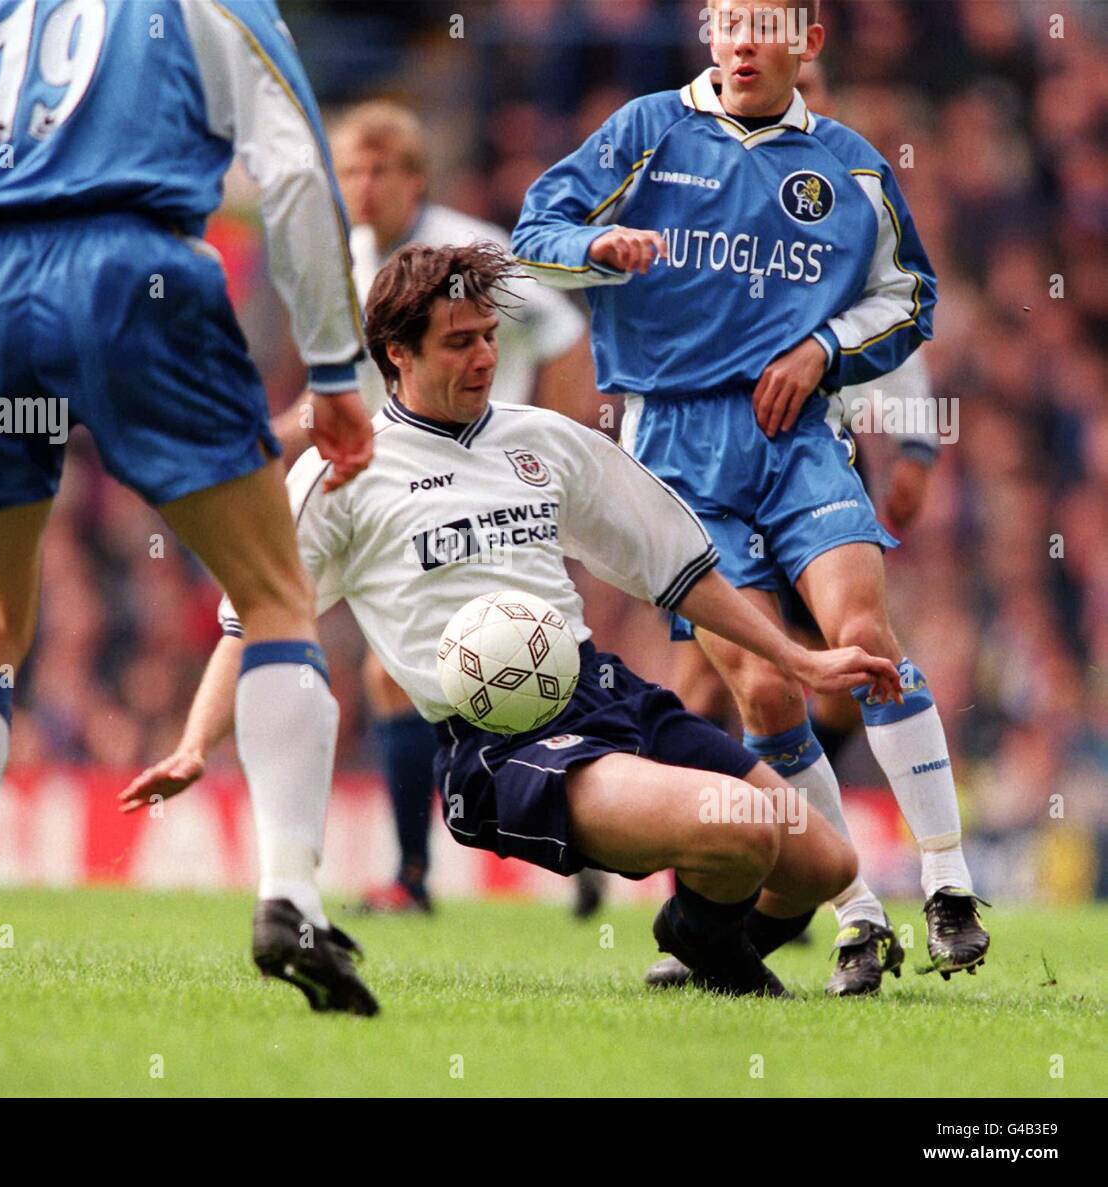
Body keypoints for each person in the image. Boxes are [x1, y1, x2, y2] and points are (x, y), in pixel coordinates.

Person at [121, 242, 906, 998]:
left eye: (491, 337)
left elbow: (680, 570)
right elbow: (253, 621)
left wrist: (798, 660)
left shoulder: (545, 442)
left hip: (605, 692)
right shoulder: (342, 473)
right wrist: (195, 743)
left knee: (822, 863)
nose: (485, 358)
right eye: (459, 343)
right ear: (397, 353)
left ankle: (701, 939)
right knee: (739, 830)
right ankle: (702, 938)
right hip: (502, 743)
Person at [0, 0, 377, 1015]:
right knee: (275, 591)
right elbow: (291, 172)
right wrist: (334, 365)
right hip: (131, 270)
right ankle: (289, 895)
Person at [511, 0, 989, 996]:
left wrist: (821, 347)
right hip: (676, 450)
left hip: (798, 438)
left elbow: (910, 295)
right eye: (724, 21)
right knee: (764, 692)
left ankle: (947, 880)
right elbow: (531, 234)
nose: (737, 40)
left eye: (761, 24)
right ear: (706, 33)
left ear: (805, 43)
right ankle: (856, 911)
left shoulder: (851, 164)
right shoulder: (645, 131)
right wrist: (595, 251)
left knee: (863, 637)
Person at [275, 100, 599, 916]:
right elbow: (348, 389)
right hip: (402, 488)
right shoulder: (350, 262)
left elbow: (564, 334)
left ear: (416, 178)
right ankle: (454, 863)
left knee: (439, 669)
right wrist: (269, 432)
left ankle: (443, 866)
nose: (364, 185)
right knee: (406, 673)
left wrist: (549, 456)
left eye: (382, 169)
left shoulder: (471, 257)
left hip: (491, 487)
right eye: (350, 169)